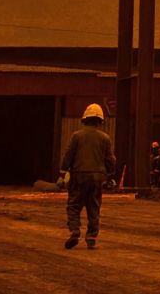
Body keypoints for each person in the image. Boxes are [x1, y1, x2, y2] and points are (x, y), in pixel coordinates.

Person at [58, 103, 116, 250]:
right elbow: (110, 159)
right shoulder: (105, 138)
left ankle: (75, 230)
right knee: (94, 207)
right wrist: (110, 175)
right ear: (100, 121)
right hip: (97, 177)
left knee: (74, 205)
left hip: (79, 175)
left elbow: (68, 155)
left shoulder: (77, 136)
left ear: (85, 119)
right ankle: (91, 237)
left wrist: (63, 172)